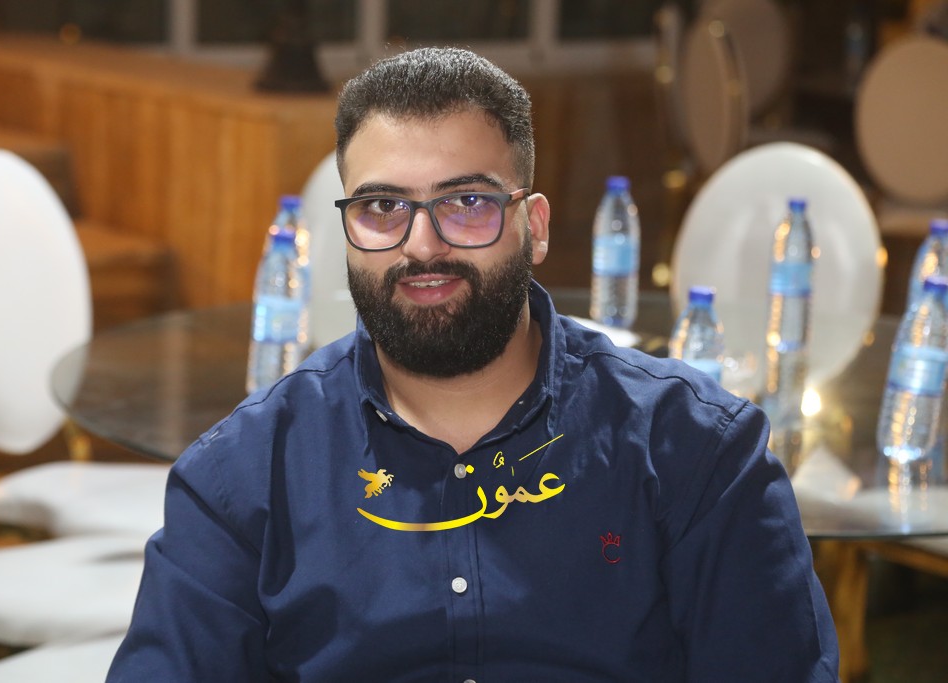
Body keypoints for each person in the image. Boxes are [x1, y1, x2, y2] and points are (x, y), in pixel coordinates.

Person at [107, 47, 838, 682]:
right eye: (382, 207)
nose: (422, 245)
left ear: (534, 226)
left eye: (466, 202)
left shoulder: (699, 455)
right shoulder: (243, 476)